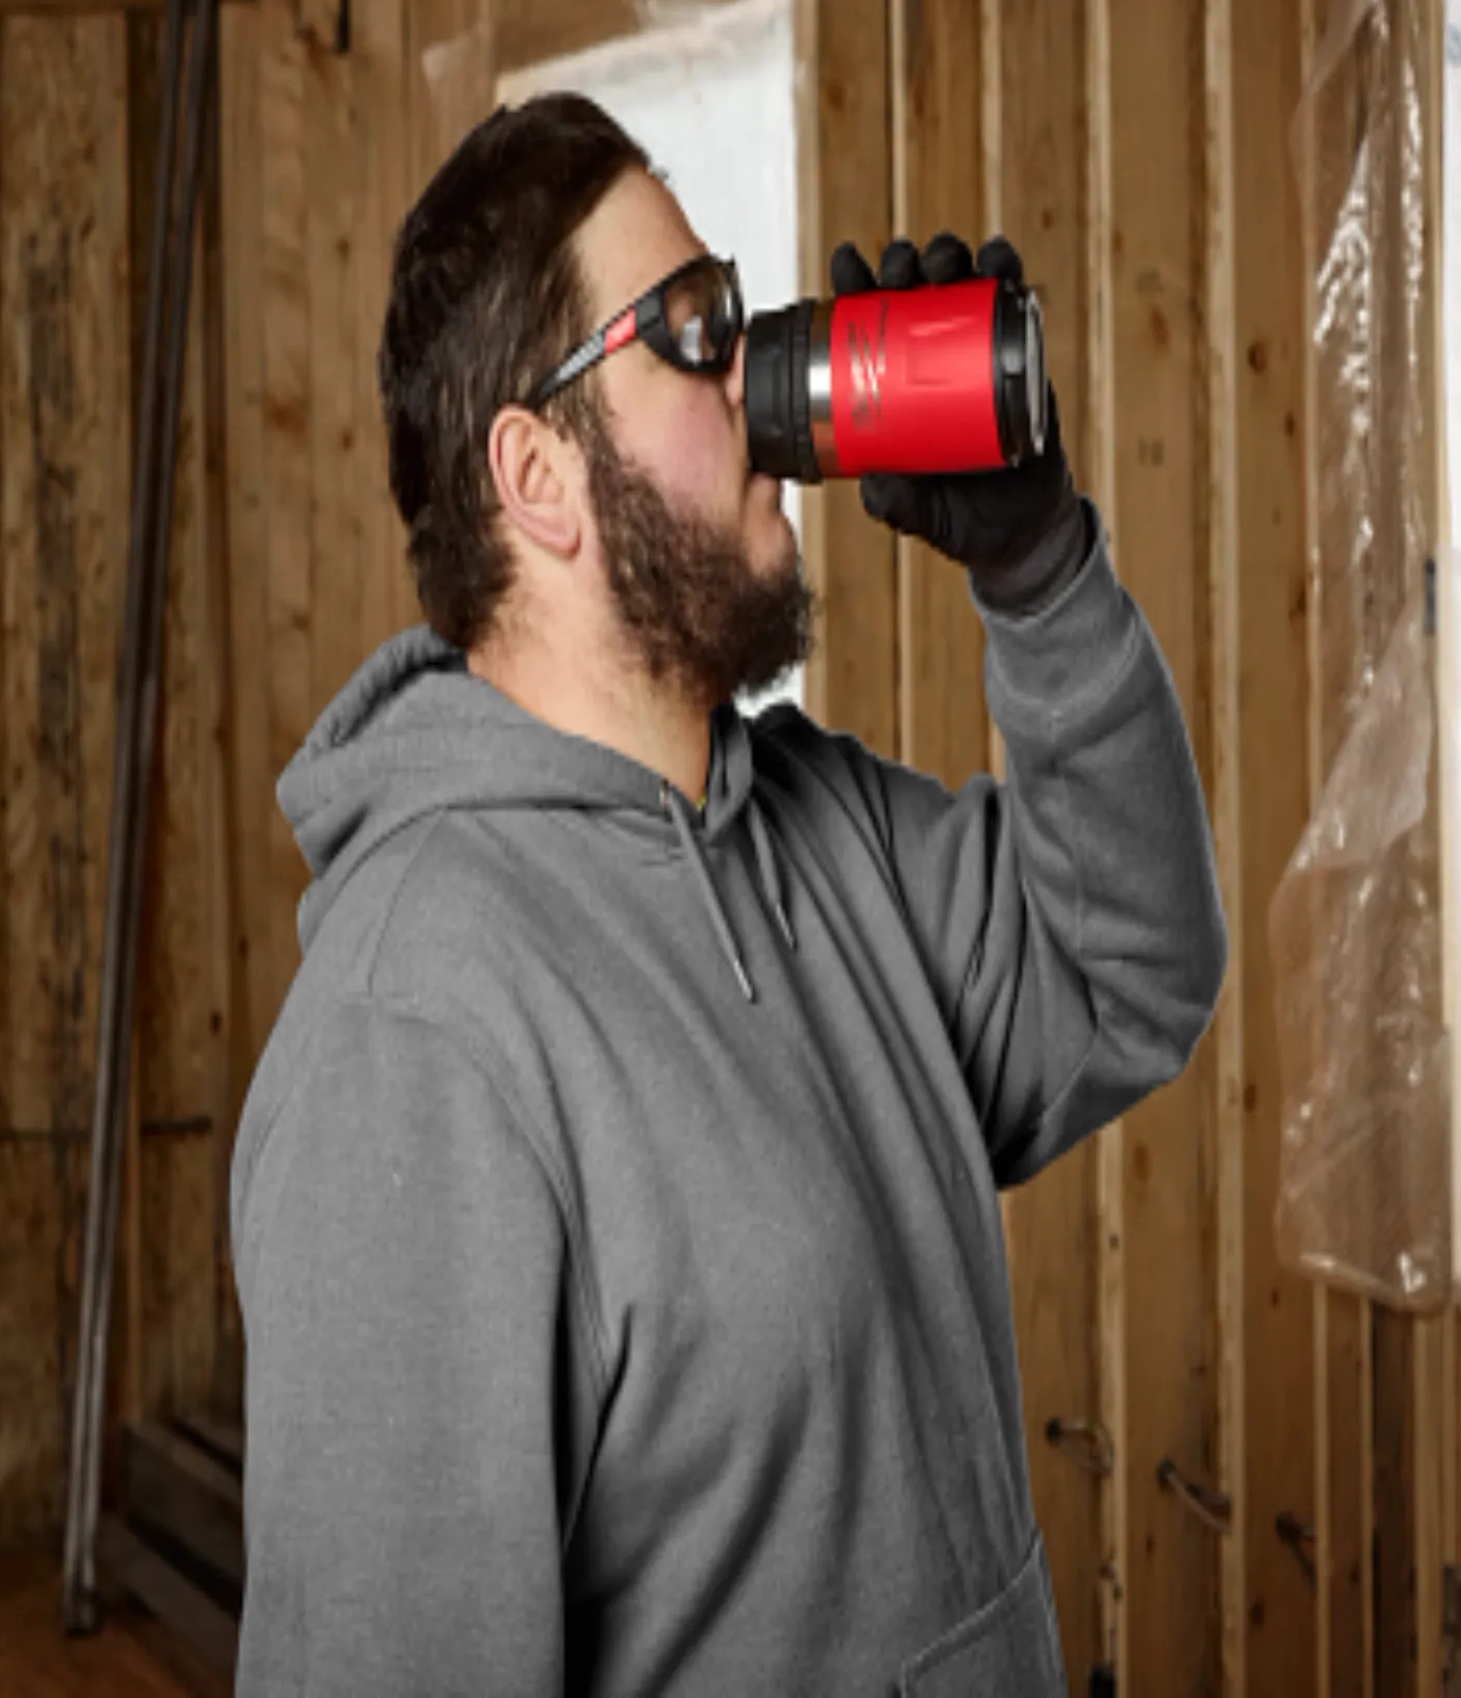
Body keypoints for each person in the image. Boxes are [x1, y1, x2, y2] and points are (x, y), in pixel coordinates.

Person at [230, 93, 1226, 1696]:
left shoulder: (824, 836)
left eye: (738, 312)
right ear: (537, 475)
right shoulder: (412, 1037)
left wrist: (1040, 570)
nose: (758, 376)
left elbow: (1136, 969)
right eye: (694, 331)